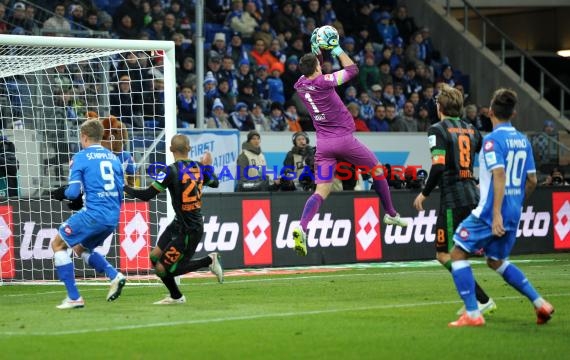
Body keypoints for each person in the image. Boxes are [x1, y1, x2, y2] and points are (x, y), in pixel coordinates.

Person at [291, 27, 407, 257]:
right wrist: (335, 48)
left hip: (323, 145)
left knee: (321, 190)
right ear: (317, 67)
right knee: (377, 170)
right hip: (343, 140)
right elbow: (352, 70)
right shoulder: (325, 82)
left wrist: (317, 50)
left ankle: (302, 226)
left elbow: (313, 66)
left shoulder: (300, 84)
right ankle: (391, 213)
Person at [446, 88, 553, 327]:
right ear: (513, 113)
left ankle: (473, 314)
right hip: (514, 210)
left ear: (490, 112)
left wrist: (496, 213)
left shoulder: (493, 141)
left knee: (457, 253)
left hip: (489, 212)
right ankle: (540, 303)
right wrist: (514, 205)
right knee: (496, 260)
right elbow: (533, 180)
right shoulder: (523, 140)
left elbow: (499, 174)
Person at [413, 84, 495, 316]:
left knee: (445, 254)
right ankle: (479, 300)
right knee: (459, 252)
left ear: (440, 106)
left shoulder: (437, 129)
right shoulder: (472, 130)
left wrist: (424, 193)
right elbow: (471, 160)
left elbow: (439, 166)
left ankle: (479, 300)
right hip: (472, 195)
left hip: (453, 199)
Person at [123, 135, 223, 304]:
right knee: (154, 258)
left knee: (163, 268)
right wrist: (208, 167)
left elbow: (147, 195)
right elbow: (215, 183)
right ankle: (176, 296)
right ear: (189, 149)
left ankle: (209, 260)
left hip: (189, 230)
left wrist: (125, 188)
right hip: (180, 223)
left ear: (170, 149)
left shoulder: (169, 171)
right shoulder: (199, 168)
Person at [50, 119, 126, 309]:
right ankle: (114, 276)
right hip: (112, 217)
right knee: (79, 249)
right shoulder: (114, 157)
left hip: (94, 214)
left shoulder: (81, 157)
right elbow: (120, 191)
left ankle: (74, 297)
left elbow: (73, 192)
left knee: (57, 244)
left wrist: (63, 193)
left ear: (84, 137)